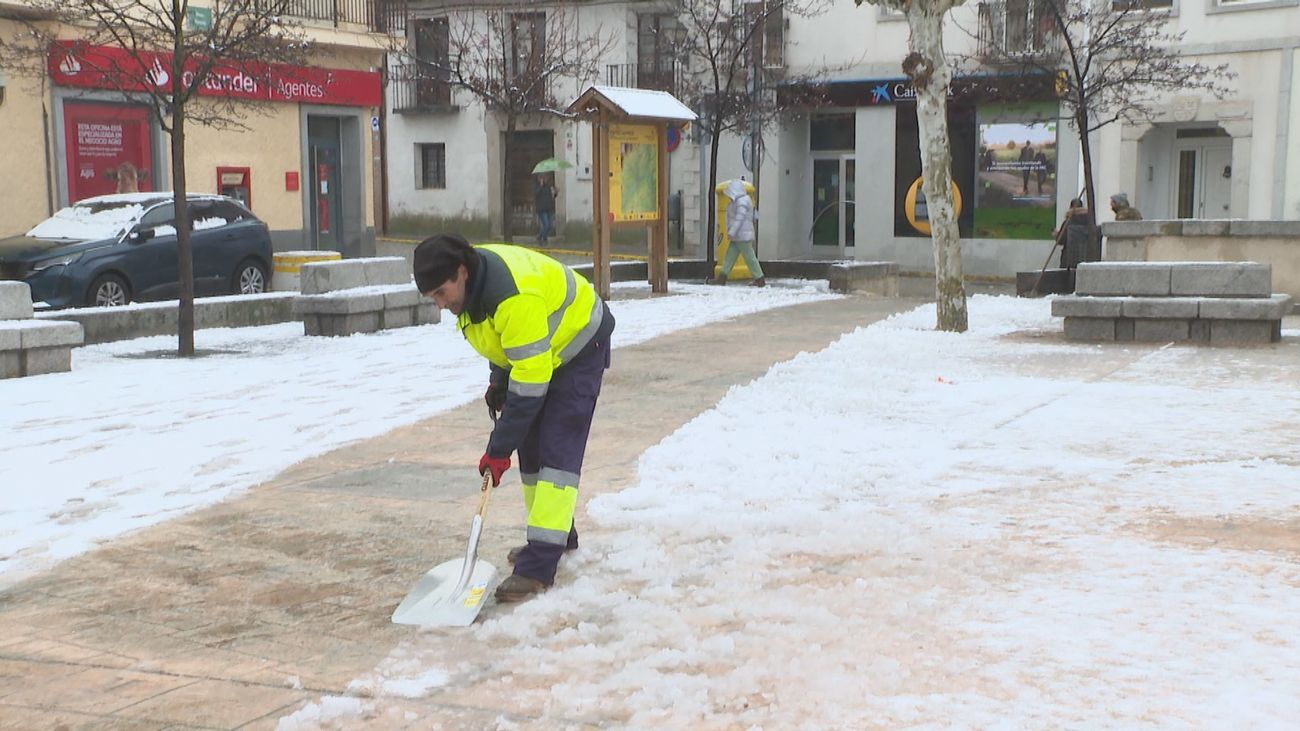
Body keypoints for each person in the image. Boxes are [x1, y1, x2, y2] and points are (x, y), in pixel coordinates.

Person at [413, 234, 614, 603]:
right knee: (532, 451)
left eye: (442, 293)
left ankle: (538, 567)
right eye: (433, 298)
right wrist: (499, 380)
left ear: (462, 272)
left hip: (579, 346)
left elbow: (531, 383)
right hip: (541, 350)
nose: (441, 304)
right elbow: (504, 340)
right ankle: (556, 539)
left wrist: (499, 448)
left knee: (556, 455)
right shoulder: (474, 290)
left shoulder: (511, 296)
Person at [712, 179, 766, 287]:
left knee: (749, 257)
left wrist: (732, 232)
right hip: (739, 235)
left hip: (742, 235)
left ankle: (760, 278)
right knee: (730, 257)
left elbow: (739, 218)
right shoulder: (741, 200)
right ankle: (722, 277)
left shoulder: (741, 201)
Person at [1055, 198, 1094, 269]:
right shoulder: (1089, 222)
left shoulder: (1068, 222)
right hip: (1085, 256)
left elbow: (1061, 240)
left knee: (1067, 278)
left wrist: (1057, 235)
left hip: (1069, 257)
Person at [533, 174, 557, 245]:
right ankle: (543, 238)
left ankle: (541, 237)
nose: (544, 179)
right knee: (546, 225)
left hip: (549, 208)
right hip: (541, 209)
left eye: (545, 178)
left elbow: (552, 196)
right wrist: (540, 186)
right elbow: (536, 193)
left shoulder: (548, 186)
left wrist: (556, 193)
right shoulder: (537, 186)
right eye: (542, 178)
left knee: (550, 226)